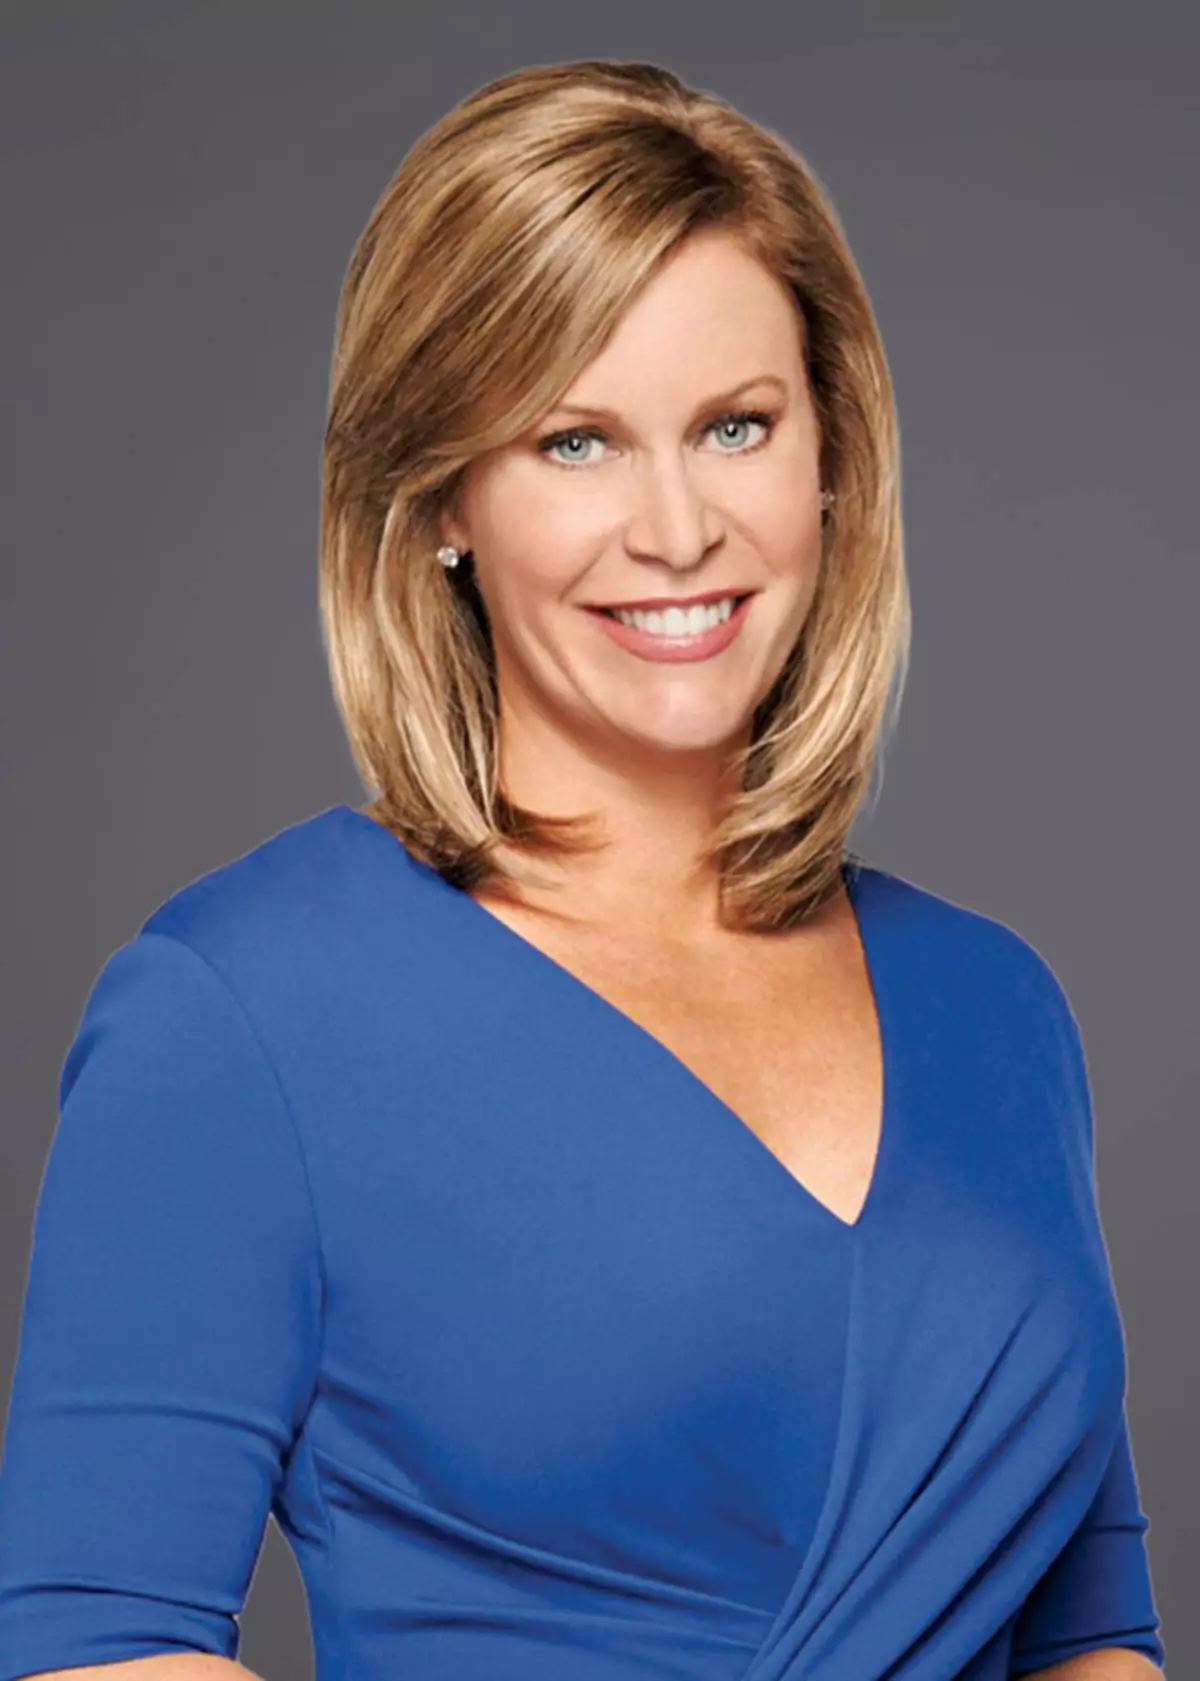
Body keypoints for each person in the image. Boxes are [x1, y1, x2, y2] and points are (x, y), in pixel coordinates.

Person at [0, 57, 1166, 1681]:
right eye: (575, 442)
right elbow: (97, 1642)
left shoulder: (1000, 1009)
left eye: (737, 427)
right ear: (442, 501)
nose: (677, 528)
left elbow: (1092, 1637)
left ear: (830, 457)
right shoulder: (242, 1013)